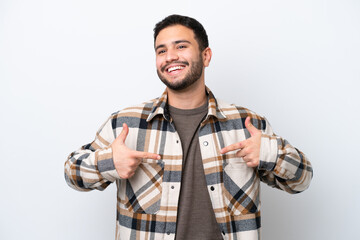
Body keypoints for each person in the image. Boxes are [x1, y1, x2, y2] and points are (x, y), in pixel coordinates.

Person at [64, 14, 313, 240]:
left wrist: (269, 153)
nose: (170, 56)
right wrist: (108, 163)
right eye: (161, 51)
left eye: (181, 46)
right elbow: (71, 173)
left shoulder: (248, 124)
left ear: (206, 56)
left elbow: (301, 181)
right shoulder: (126, 124)